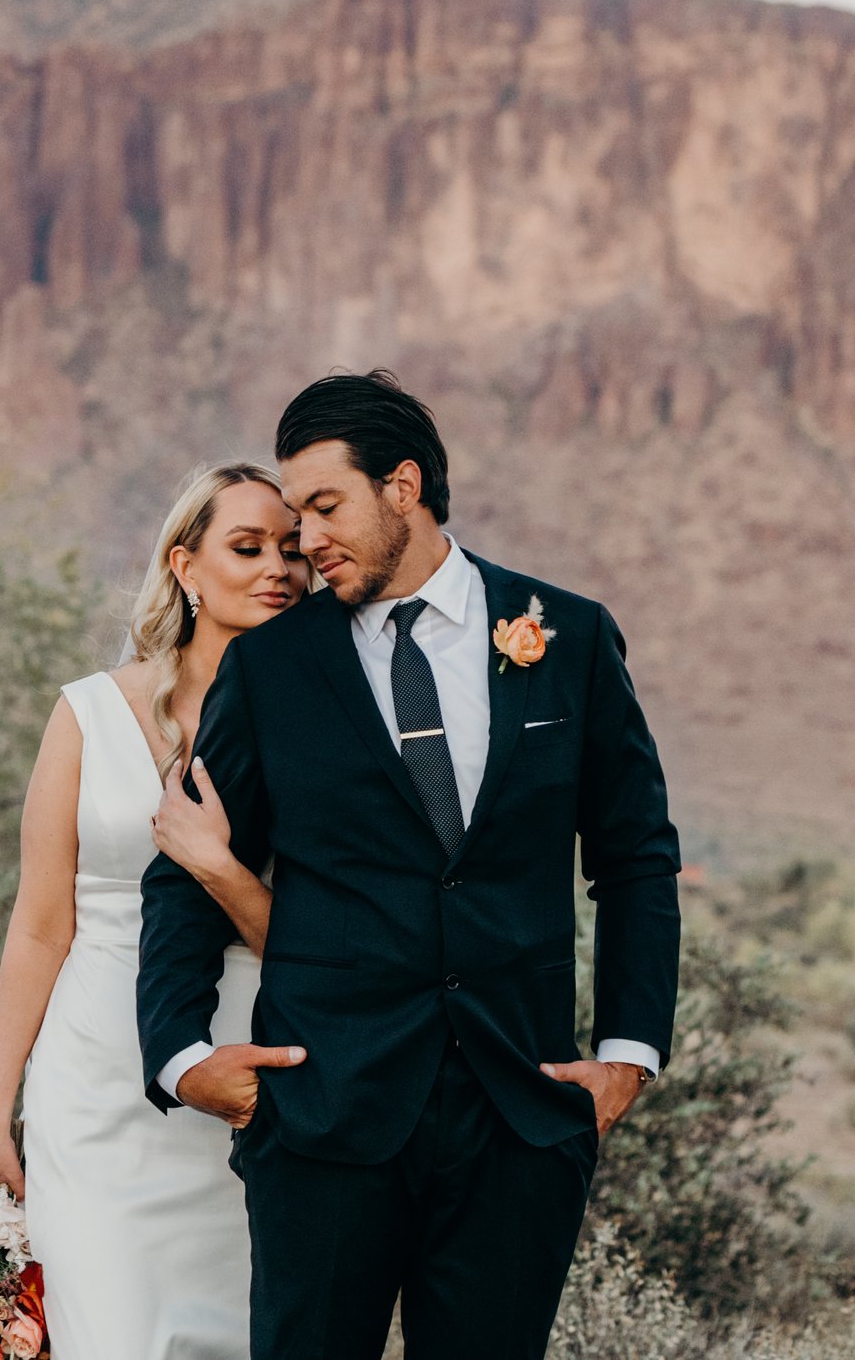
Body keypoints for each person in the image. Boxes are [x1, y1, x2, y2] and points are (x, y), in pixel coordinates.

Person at [138, 371, 683, 1360]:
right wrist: (181, 1055)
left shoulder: (568, 635)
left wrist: (628, 1056)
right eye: (293, 512)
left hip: (520, 1120)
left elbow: (636, 861)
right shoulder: (269, 666)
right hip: (320, 1117)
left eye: (322, 505)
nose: (304, 538)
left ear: (402, 485)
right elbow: (183, 861)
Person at [0, 462, 310, 1359]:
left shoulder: (317, 732)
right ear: (185, 566)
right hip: (95, 1086)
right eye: (249, 546)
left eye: (295, 552)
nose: (279, 569)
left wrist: (218, 865)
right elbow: (38, 925)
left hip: (251, 1078)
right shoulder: (88, 714)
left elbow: (320, 938)